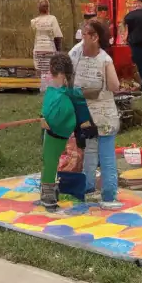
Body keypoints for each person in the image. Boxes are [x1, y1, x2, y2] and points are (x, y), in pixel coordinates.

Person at [69, 19, 121, 208]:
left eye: (84, 34)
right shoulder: (78, 53)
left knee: (99, 154)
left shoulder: (103, 59)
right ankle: (97, 192)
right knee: (94, 153)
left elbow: (114, 86)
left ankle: (103, 193)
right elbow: (115, 86)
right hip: (90, 115)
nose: (82, 37)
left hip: (98, 115)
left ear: (95, 37)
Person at [37, 52, 95, 214]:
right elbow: (48, 106)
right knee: (52, 161)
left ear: (60, 74)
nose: (51, 76)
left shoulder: (63, 90)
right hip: (59, 131)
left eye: (53, 73)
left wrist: (84, 123)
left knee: (50, 162)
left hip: (58, 132)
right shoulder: (64, 90)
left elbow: (78, 103)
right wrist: (42, 117)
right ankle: (51, 189)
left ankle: (49, 193)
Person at [30, 0, 64, 94]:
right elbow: (57, 36)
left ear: (38, 9)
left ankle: (44, 89)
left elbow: (33, 35)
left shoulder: (34, 21)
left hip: (38, 49)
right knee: (51, 71)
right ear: (48, 8)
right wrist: (58, 52)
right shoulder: (52, 19)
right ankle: (51, 90)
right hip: (49, 48)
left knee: (42, 72)